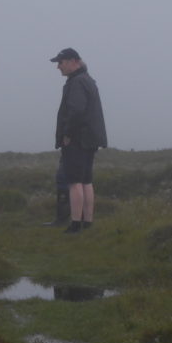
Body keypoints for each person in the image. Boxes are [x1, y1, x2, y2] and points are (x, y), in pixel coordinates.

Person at [51, 47, 107, 233]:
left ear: (72, 61)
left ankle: (75, 223)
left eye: (61, 62)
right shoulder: (87, 80)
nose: (58, 67)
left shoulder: (77, 82)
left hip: (78, 140)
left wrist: (67, 134)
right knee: (86, 181)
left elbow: (76, 111)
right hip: (90, 139)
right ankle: (87, 221)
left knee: (74, 181)